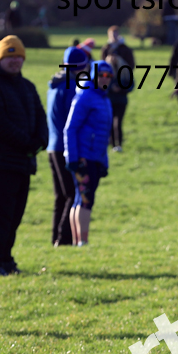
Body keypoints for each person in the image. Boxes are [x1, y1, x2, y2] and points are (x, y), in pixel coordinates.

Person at [0, 36, 48, 277]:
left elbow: (40, 115)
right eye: (9, 56)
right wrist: (28, 144)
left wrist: (41, 140)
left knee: (14, 217)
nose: (15, 61)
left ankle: (6, 260)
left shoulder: (26, 86)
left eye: (18, 56)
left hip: (21, 162)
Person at [64, 61, 112, 246]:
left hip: (95, 158)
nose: (105, 79)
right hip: (84, 158)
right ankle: (82, 241)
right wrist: (73, 158)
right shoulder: (85, 96)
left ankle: (79, 241)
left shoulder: (104, 98)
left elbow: (104, 133)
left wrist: (104, 161)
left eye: (108, 76)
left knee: (81, 198)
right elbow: (70, 128)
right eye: (101, 75)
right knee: (85, 199)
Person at [47, 46, 90, 247]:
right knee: (72, 194)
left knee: (60, 196)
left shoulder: (54, 84)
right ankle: (63, 240)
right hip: (66, 147)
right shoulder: (73, 87)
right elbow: (72, 122)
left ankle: (55, 237)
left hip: (52, 145)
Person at [101, 26, 135, 152]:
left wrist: (120, 87)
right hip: (109, 96)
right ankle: (111, 143)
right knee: (109, 121)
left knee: (118, 122)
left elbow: (131, 68)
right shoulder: (106, 48)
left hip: (121, 97)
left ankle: (118, 144)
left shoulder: (125, 49)